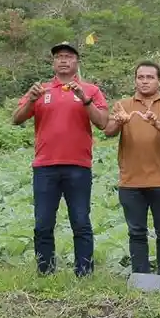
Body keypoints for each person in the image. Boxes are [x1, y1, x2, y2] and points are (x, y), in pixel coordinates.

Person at [11, 41, 109, 276]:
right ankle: (45, 272)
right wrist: (32, 100)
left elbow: (103, 122)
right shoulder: (41, 90)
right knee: (43, 223)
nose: (63, 60)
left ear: (77, 62)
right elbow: (16, 118)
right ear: (53, 63)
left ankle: (84, 273)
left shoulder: (91, 90)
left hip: (78, 166)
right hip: (45, 166)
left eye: (68, 56)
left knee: (81, 222)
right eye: (59, 57)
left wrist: (84, 98)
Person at [103, 61, 160, 284]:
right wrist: (118, 122)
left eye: (150, 77)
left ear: (159, 80)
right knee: (136, 232)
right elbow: (108, 131)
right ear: (135, 80)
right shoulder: (123, 104)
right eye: (140, 77)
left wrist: (155, 122)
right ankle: (141, 276)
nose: (145, 81)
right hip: (130, 180)